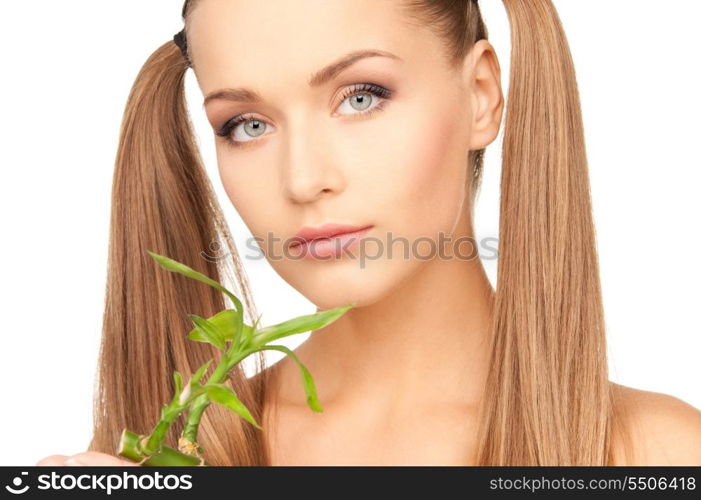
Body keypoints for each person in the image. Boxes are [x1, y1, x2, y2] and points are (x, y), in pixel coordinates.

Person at [37, 0, 701, 467]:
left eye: (360, 96)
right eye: (246, 124)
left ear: (480, 94)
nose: (303, 178)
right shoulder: (189, 451)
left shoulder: (657, 454)